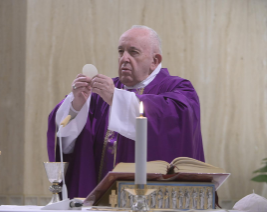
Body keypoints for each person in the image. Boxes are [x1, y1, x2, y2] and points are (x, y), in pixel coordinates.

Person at [47, 25, 204, 199]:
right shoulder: (100, 93)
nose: (124, 58)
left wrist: (116, 98)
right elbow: (65, 135)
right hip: (101, 200)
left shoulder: (179, 89)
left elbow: (173, 120)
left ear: (155, 60)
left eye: (133, 52)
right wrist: (76, 106)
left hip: (154, 202)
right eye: (121, 52)